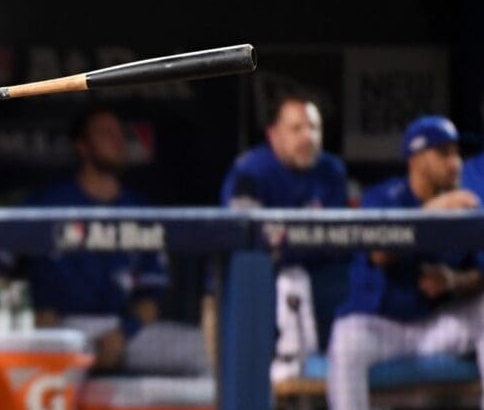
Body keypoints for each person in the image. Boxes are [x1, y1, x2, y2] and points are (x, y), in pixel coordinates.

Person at [25, 107, 210, 374]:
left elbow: (151, 297)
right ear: (83, 146)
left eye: (120, 134)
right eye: (105, 133)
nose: (118, 140)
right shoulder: (49, 203)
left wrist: (123, 333)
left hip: (120, 328)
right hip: (60, 329)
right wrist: (33, 315)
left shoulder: (139, 210)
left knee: (199, 348)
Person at [328, 116, 484, 410]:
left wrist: (454, 281)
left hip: (434, 326)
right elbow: (379, 251)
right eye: (443, 153)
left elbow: (480, 272)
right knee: (345, 343)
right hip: (380, 325)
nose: (455, 163)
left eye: (457, 154)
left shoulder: (466, 205)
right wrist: (432, 212)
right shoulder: (384, 197)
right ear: (417, 159)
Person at [220, 97, 348, 383]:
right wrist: (304, 241)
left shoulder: (331, 171)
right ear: (273, 135)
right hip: (251, 290)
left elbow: (338, 243)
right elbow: (247, 241)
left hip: (315, 288)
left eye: (314, 128)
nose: (308, 137)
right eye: (296, 128)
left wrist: (287, 240)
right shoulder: (250, 171)